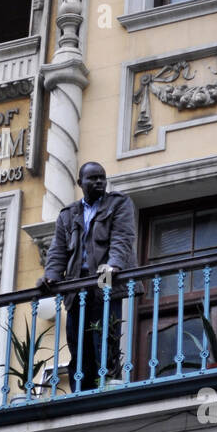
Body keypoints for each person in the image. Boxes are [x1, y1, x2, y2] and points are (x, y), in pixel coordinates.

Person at [37, 162, 138, 390]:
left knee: (105, 340)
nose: (99, 181)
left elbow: (122, 238)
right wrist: (51, 276)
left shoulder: (118, 203)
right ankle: (80, 393)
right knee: (78, 343)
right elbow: (58, 250)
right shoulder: (68, 214)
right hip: (76, 285)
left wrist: (113, 265)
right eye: (93, 178)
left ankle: (106, 387)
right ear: (80, 183)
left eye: (102, 177)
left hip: (105, 278)